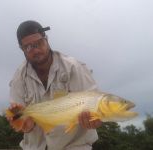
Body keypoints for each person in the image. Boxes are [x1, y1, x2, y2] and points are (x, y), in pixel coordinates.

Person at [7, 20, 102, 150]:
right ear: (22, 49)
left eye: (39, 43)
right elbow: (19, 120)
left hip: (74, 146)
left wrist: (95, 120)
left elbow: (95, 102)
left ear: (46, 39)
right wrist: (26, 126)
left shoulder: (73, 67)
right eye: (28, 47)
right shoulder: (19, 78)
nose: (35, 50)